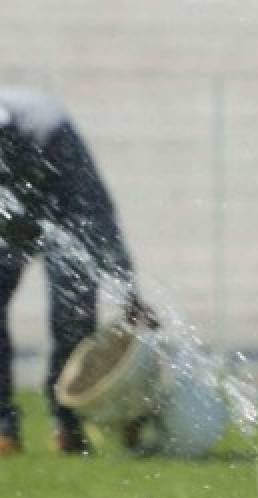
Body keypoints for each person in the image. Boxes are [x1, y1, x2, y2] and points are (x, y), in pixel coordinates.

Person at [0, 88, 151, 455]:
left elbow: (98, 220)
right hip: (11, 210)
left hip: (65, 212)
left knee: (74, 315)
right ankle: (4, 428)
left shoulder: (55, 137)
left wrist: (128, 290)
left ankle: (67, 426)